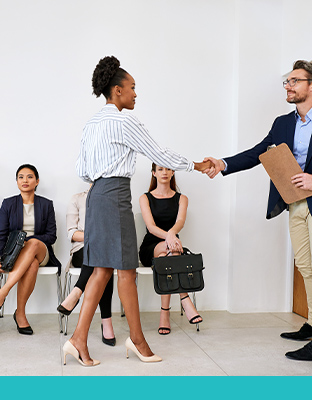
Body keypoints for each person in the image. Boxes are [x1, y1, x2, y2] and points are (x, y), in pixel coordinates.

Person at [204, 60, 312, 361]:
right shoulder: (283, 123)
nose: (288, 86)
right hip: (295, 204)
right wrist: (223, 164)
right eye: (287, 81)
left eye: (294, 81)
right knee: (305, 266)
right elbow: (259, 153)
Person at [64, 55, 210, 367]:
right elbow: (158, 153)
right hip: (115, 196)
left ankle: (78, 340)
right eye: (132, 88)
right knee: (125, 270)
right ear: (117, 90)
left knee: (103, 270)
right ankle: (138, 340)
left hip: (97, 195)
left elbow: (82, 170)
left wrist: (104, 180)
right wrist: (195, 165)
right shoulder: (124, 121)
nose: (135, 94)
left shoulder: (91, 123)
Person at [0, 164, 61, 335]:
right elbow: (1, 234)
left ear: (37, 181)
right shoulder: (8, 204)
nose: (25, 180)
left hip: (41, 251)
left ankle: (3, 292)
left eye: (29, 177)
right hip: (17, 255)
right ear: (16, 181)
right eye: (21, 177)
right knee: (32, 265)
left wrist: (27, 242)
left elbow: (51, 236)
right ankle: (20, 313)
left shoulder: (46, 204)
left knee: (34, 243)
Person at [139, 163, 202, 334]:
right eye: (160, 169)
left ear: (173, 172)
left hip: (172, 246)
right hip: (151, 246)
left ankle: (164, 314)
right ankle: (185, 298)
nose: (164, 172)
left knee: (169, 255)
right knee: (171, 253)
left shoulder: (182, 198)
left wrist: (171, 235)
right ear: (154, 173)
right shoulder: (145, 198)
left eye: (167, 169)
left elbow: (180, 222)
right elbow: (151, 227)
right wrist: (169, 237)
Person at [57, 186, 116, 346]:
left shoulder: (113, 198)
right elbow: (72, 233)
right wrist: (95, 237)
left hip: (106, 251)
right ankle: (107, 321)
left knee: (103, 262)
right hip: (81, 250)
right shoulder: (77, 198)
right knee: (103, 262)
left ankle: (76, 291)